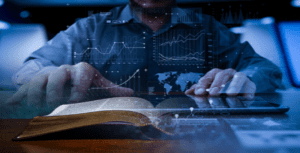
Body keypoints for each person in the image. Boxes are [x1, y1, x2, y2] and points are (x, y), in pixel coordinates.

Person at [6, 0, 283, 108]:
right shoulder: (88, 28)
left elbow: (265, 68)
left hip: (191, 141)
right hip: (103, 140)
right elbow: (30, 68)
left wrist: (246, 78)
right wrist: (43, 75)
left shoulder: (209, 28)